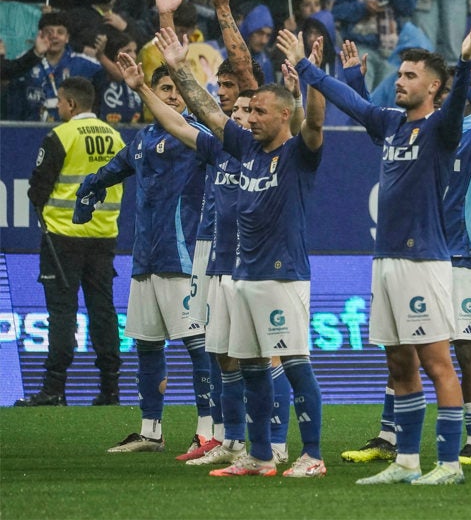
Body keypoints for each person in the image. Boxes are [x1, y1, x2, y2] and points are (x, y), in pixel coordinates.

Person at [298, 21, 471, 485]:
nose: (399, 81)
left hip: (424, 261)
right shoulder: (392, 124)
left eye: (409, 76)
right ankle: (406, 462)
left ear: (433, 87)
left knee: (437, 362)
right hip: (385, 261)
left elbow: (458, 100)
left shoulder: (441, 128)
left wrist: (465, 62)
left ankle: (450, 465)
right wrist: (307, 69)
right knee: (399, 363)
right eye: (399, 74)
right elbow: (353, 103)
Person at [142, 24, 327, 478]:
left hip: (283, 275)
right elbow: (207, 111)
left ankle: (312, 455)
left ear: (284, 115)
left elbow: (316, 123)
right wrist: (178, 66)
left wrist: (311, 75)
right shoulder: (245, 148)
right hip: (242, 274)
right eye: (250, 111)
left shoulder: (299, 155)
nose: (251, 118)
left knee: (295, 364)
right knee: (250, 367)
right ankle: (259, 455)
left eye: (260, 111)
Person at [344, 66, 471, 465]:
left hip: (465, 257)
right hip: (422, 254)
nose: (454, 95)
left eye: (462, 89)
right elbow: (379, 125)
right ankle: (388, 438)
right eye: (450, 89)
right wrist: (357, 84)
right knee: (403, 349)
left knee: (467, 351)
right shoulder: (424, 131)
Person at [76, 64, 212, 454]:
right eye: (165, 88)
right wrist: (89, 187)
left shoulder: (195, 136)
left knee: (198, 345)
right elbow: (114, 169)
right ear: (151, 93)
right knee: (147, 345)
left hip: (180, 258)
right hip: (144, 260)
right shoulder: (141, 139)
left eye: (179, 90)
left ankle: (208, 430)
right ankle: (150, 431)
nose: (173, 96)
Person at [14, 78, 125, 407]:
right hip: (103, 236)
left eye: (60, 102)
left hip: (63, 238)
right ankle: (110, 389)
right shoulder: (116, 136)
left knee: (62, 312)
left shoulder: (62, 136)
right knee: (103, 311)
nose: (58, 107)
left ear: (72, 104)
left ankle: (54, 389)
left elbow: (37, 189)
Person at [5, 12, 102, 122]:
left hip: (71, 128)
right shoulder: (24, 62)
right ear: (40, 35)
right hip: (30, 128)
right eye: (49, 32)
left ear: (67, 38)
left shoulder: (84, 63)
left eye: (60, 32)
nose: (54, 36)